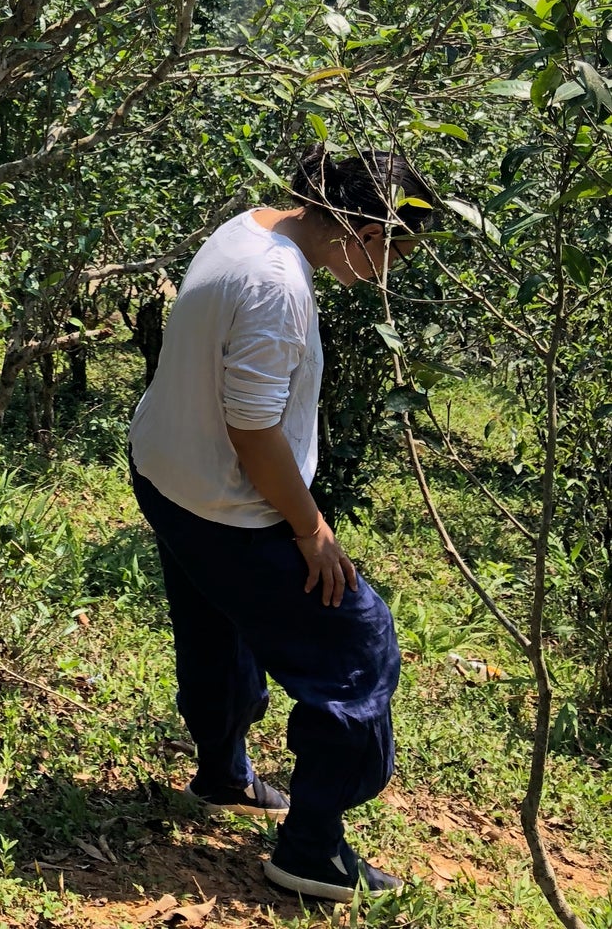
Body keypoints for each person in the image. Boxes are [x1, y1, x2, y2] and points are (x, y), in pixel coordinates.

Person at [127, 148, 435, 904]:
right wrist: (310, 529)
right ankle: (311, 848)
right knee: (357, 644)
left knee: (217, 625)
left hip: (170, 474)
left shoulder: (252, 228)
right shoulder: (275, 284)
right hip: (231, 503)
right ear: (365, 228)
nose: (392, 268)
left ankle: (222, 771)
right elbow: (254, 428)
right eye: (396, 247)